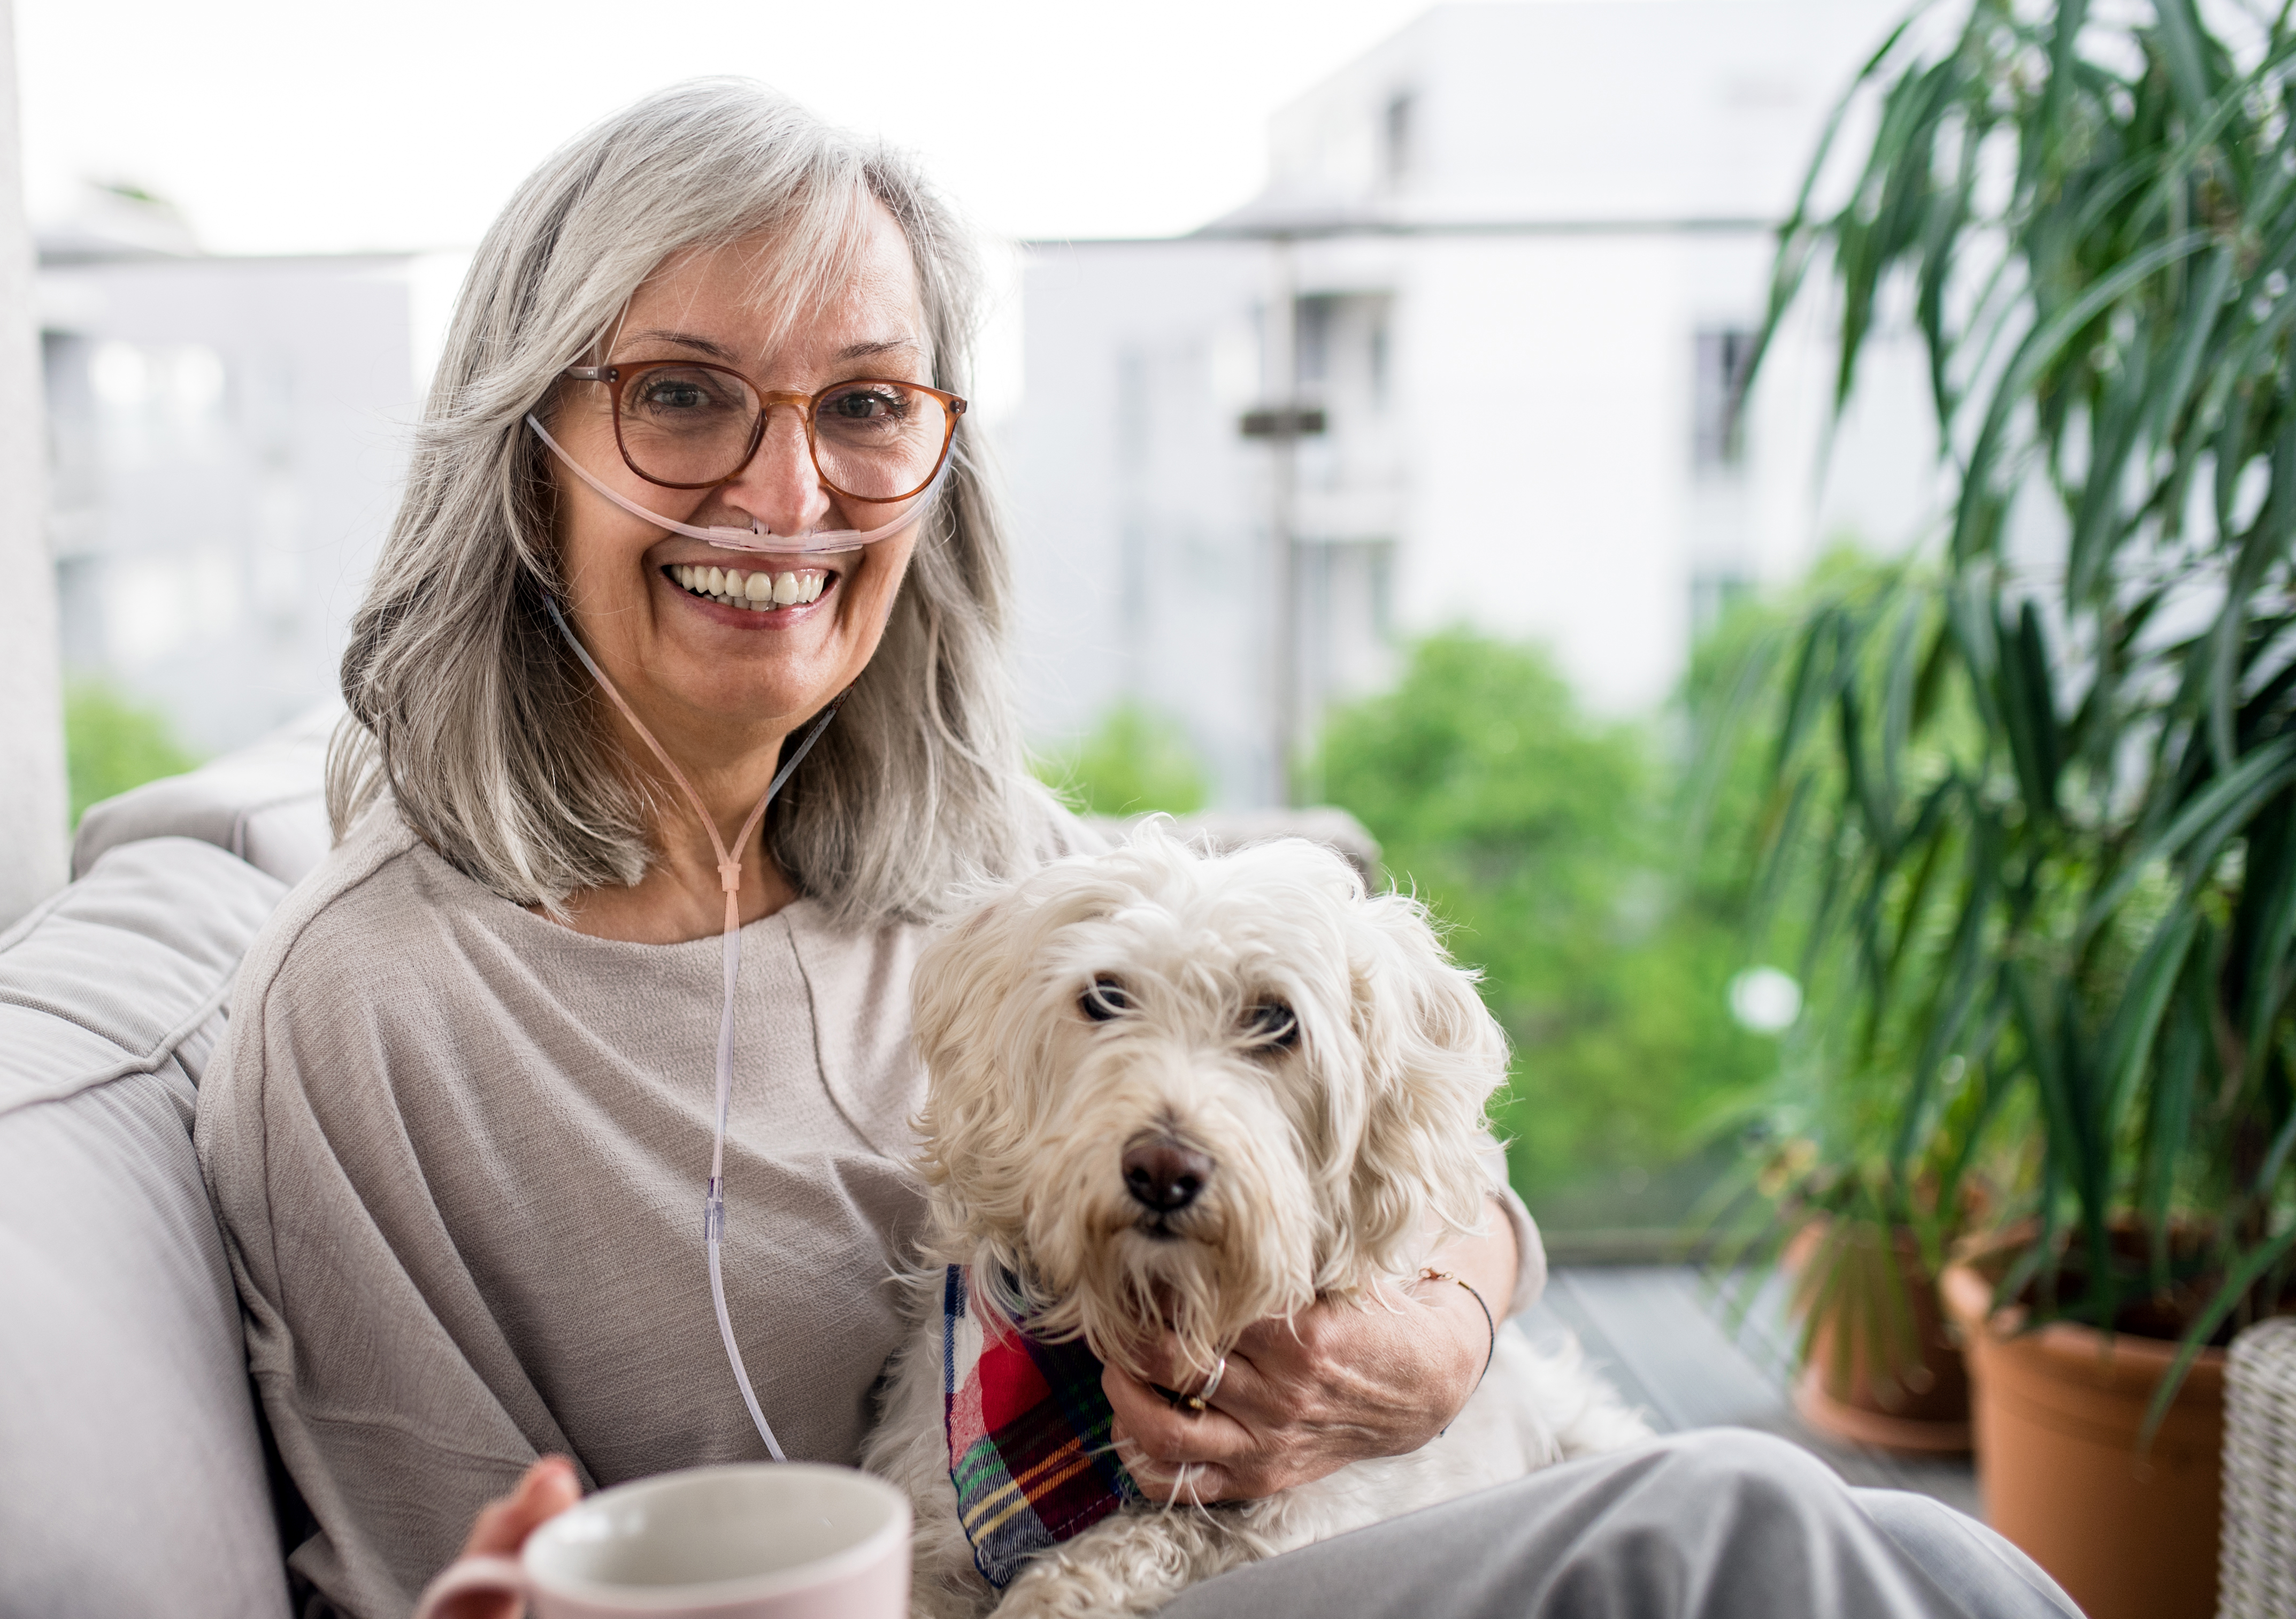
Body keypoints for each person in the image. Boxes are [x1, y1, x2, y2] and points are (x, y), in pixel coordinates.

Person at [193, 80, 2079, 1619]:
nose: (787, 495)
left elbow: (1423, 1158)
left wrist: (1441, 1322)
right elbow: (439, 1573)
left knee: (1917, 1547)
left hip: (1237, 1559)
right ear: (529, 446)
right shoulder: (369, 1012)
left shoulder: (988, 861)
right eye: (682, 393)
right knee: (1736, 1529)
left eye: (864, 405)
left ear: (936, 465)